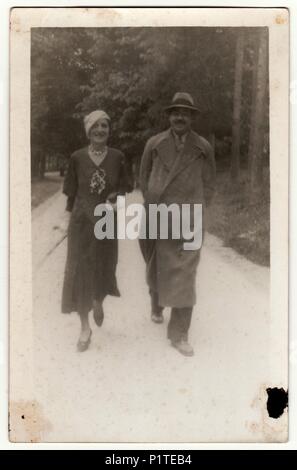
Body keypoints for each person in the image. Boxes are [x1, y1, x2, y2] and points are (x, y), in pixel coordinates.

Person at [139, 92, 216, 357]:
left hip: (190, 216)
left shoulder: (203, 147)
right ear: (169, 116)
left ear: (192, 117)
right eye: (175, 112)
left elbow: (210, 183)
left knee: (186, 272)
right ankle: (157, 301)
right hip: (160, 214)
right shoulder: (154, 143)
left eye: (185, 112)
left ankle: (179, 334)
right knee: (157, 267)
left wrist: (199, 209)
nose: (180, 117)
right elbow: (143, 177)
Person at [61, 110, 132, 352]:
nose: (100, 130)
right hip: (81, 224)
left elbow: (125, 188)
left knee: (104, 267)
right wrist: (66, 221)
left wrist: (116, 201)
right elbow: (71, 194)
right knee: (80, 271)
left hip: (106, 223)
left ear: (109, 130)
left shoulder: (118, 157)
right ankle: (84, 327)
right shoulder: (77, 158)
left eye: (104, 126)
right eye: (95, 127)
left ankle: (98, 301)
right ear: (88, 131)